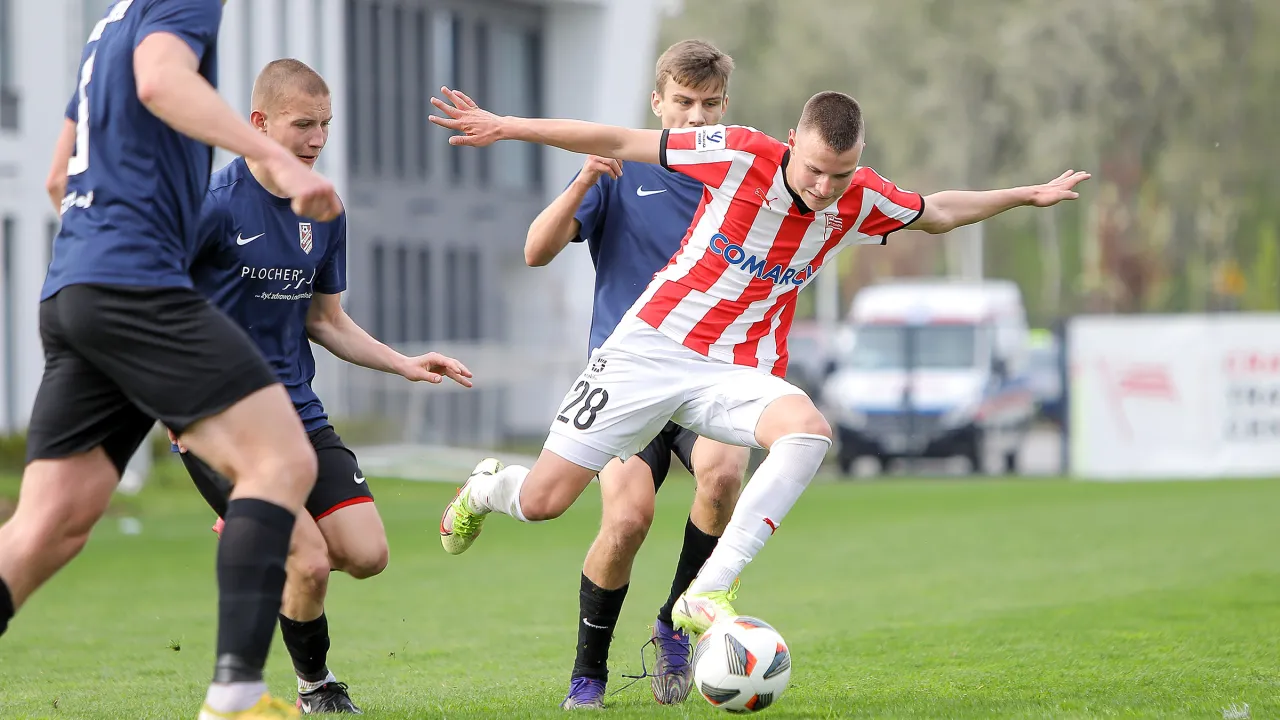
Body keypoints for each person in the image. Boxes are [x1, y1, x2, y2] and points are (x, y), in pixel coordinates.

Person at [432, 83, 1089, 637]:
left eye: (840, 172)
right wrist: (506, 126)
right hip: (649, 349)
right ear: (791, 142)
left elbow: (940, 211)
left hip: (733, 369)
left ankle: (706, 593)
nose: (825, 187)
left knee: (808, 433)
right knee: (545, 502)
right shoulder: (739, 152)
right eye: (813, 169)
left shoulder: (859, 197)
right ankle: (490, 487)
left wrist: (1026, 195)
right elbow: (618, 140)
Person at [8, 2, 342, 719]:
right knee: (281, 463)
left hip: (75, 287)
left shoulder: (107, 25)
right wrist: (280, 162)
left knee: (49, 527)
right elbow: (162, 83)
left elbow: (55, 180)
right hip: (136, 284)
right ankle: (236, 698)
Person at [172, 58, 473, 715]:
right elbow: (153, 301)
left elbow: (325, 319)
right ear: (259, 123)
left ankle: (251, 540)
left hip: (298, 413)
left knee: (366, 555)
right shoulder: (214, 205)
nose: (316, 138)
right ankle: (317, 689)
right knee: (307, 563)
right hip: (216, 420)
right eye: (302, 124)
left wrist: (403, 363)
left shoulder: (324, 209)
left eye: (325, 125)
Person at [518, 40, 750, 709]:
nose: (694, 117)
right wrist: (586, 180)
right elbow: (535, 252)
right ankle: (588, 670)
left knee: (726, 472)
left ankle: (676, 619)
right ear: (657, 103)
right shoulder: (619, 166)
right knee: (626, 524)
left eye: (708, 105)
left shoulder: (738, 179)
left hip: (707, 378)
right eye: (682, 102)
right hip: (628, 382)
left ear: (724, 108)